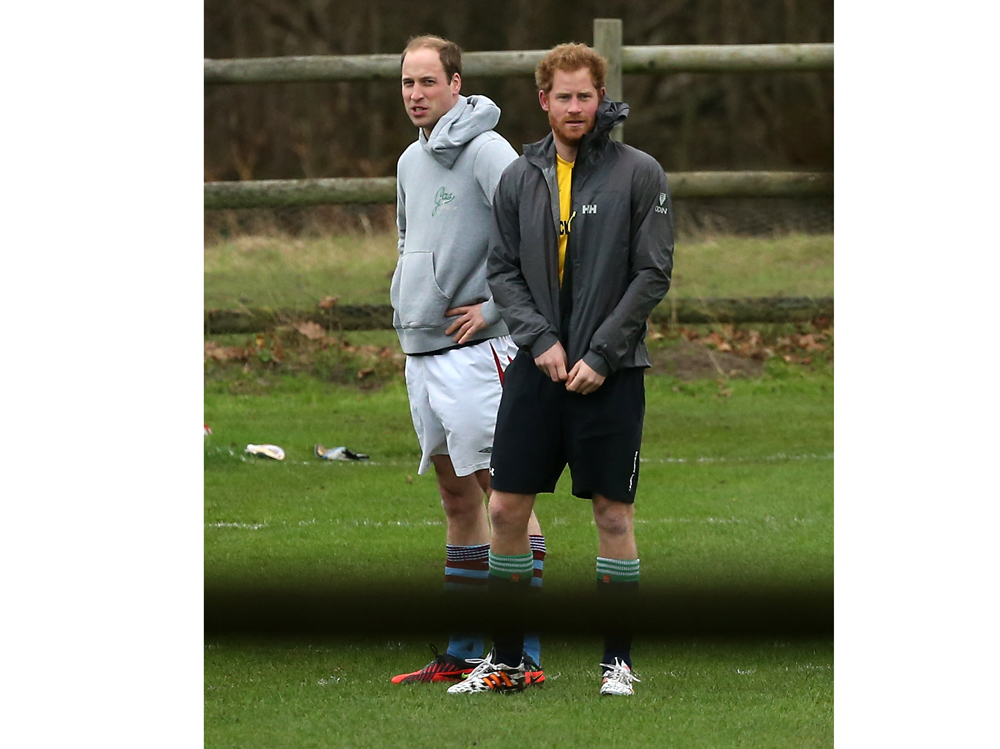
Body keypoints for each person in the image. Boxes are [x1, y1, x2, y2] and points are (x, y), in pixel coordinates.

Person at [447, 42, 674, 697]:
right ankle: (510, 661)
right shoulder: (521, 176)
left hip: (613, 372)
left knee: (612, 515)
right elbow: (503, 270)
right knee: (507, 506)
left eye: (586, 96)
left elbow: (652, 271)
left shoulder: (641, 173)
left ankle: (617, 663)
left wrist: (601, 354)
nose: (575, 107)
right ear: (542, 100)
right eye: (563, 96)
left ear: (600, 100)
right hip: (535, 370)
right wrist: (539, 340)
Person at [388, 35, 547, 685]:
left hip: (480, 354)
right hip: (422, 352)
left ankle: (525, 652)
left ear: (456, 84)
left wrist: (496, 312)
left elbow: (534, 228)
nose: (416, 95)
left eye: (428, 82)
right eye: (407, 84)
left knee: (504, 497)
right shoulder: (408, 159)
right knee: (457, 497)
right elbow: (406, 238)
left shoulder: (488, 150)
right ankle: (461, 647)